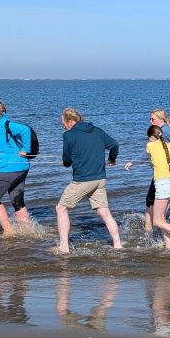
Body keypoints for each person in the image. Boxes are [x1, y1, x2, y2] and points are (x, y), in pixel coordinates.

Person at [55, 108, 123, 253]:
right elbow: (114, 145)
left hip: (83, 180)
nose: (63, 127)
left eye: (63, 123)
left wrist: (67, 163)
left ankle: (63, 247)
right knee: (104, 212)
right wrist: (112, 159)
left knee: (61, 209)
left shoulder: (69, 135)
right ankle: (118, 245)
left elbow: (67, 160)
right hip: (100, 179)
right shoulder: (97, 130)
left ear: (70, 121)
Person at [0, 100, 35, 234]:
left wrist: (25, 149)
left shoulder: (5, 124)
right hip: (19, 167)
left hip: (11, 168)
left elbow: (25, 130)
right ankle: (28, 230)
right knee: (17, 201)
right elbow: (7, 145)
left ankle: (8, 231)